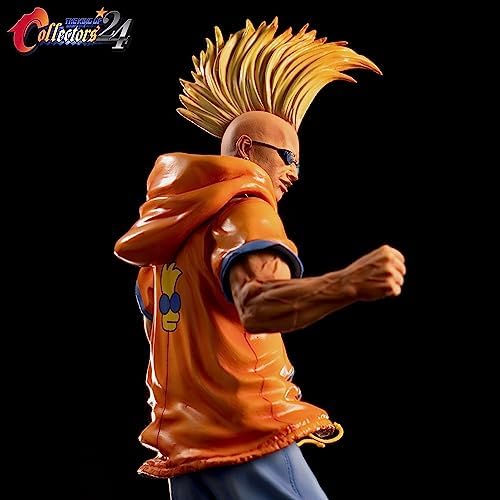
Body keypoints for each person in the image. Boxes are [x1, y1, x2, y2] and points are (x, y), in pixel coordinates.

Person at [114, 18, 405, 499]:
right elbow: (259, 304)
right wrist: (352, 281)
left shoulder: (165, 240)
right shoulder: (245, 207)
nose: (294, 173)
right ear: (248, 149)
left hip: (186, 449)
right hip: (246, 435)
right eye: (288, 157)